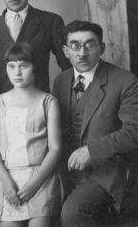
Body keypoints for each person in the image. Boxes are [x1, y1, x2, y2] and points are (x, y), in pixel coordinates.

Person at [52, 20, 138, 227]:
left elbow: (134, 131)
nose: (82, 53)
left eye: (90, 44)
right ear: (65, 50)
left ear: (102, 48)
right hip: (66, 169)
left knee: (73, 213)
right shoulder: (60, 81)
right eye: (75, 45)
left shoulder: (124, 81)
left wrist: (91, 150)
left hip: (107, 170)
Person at [0, 42, 62, 227]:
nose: (17, 72)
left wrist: (34, 185)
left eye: (24, 66)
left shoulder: (47, 102)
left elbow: (55, 148)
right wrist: (5, 181)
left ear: (34, 67)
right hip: (9, 179)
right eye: (11, 66)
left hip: (40, 178)